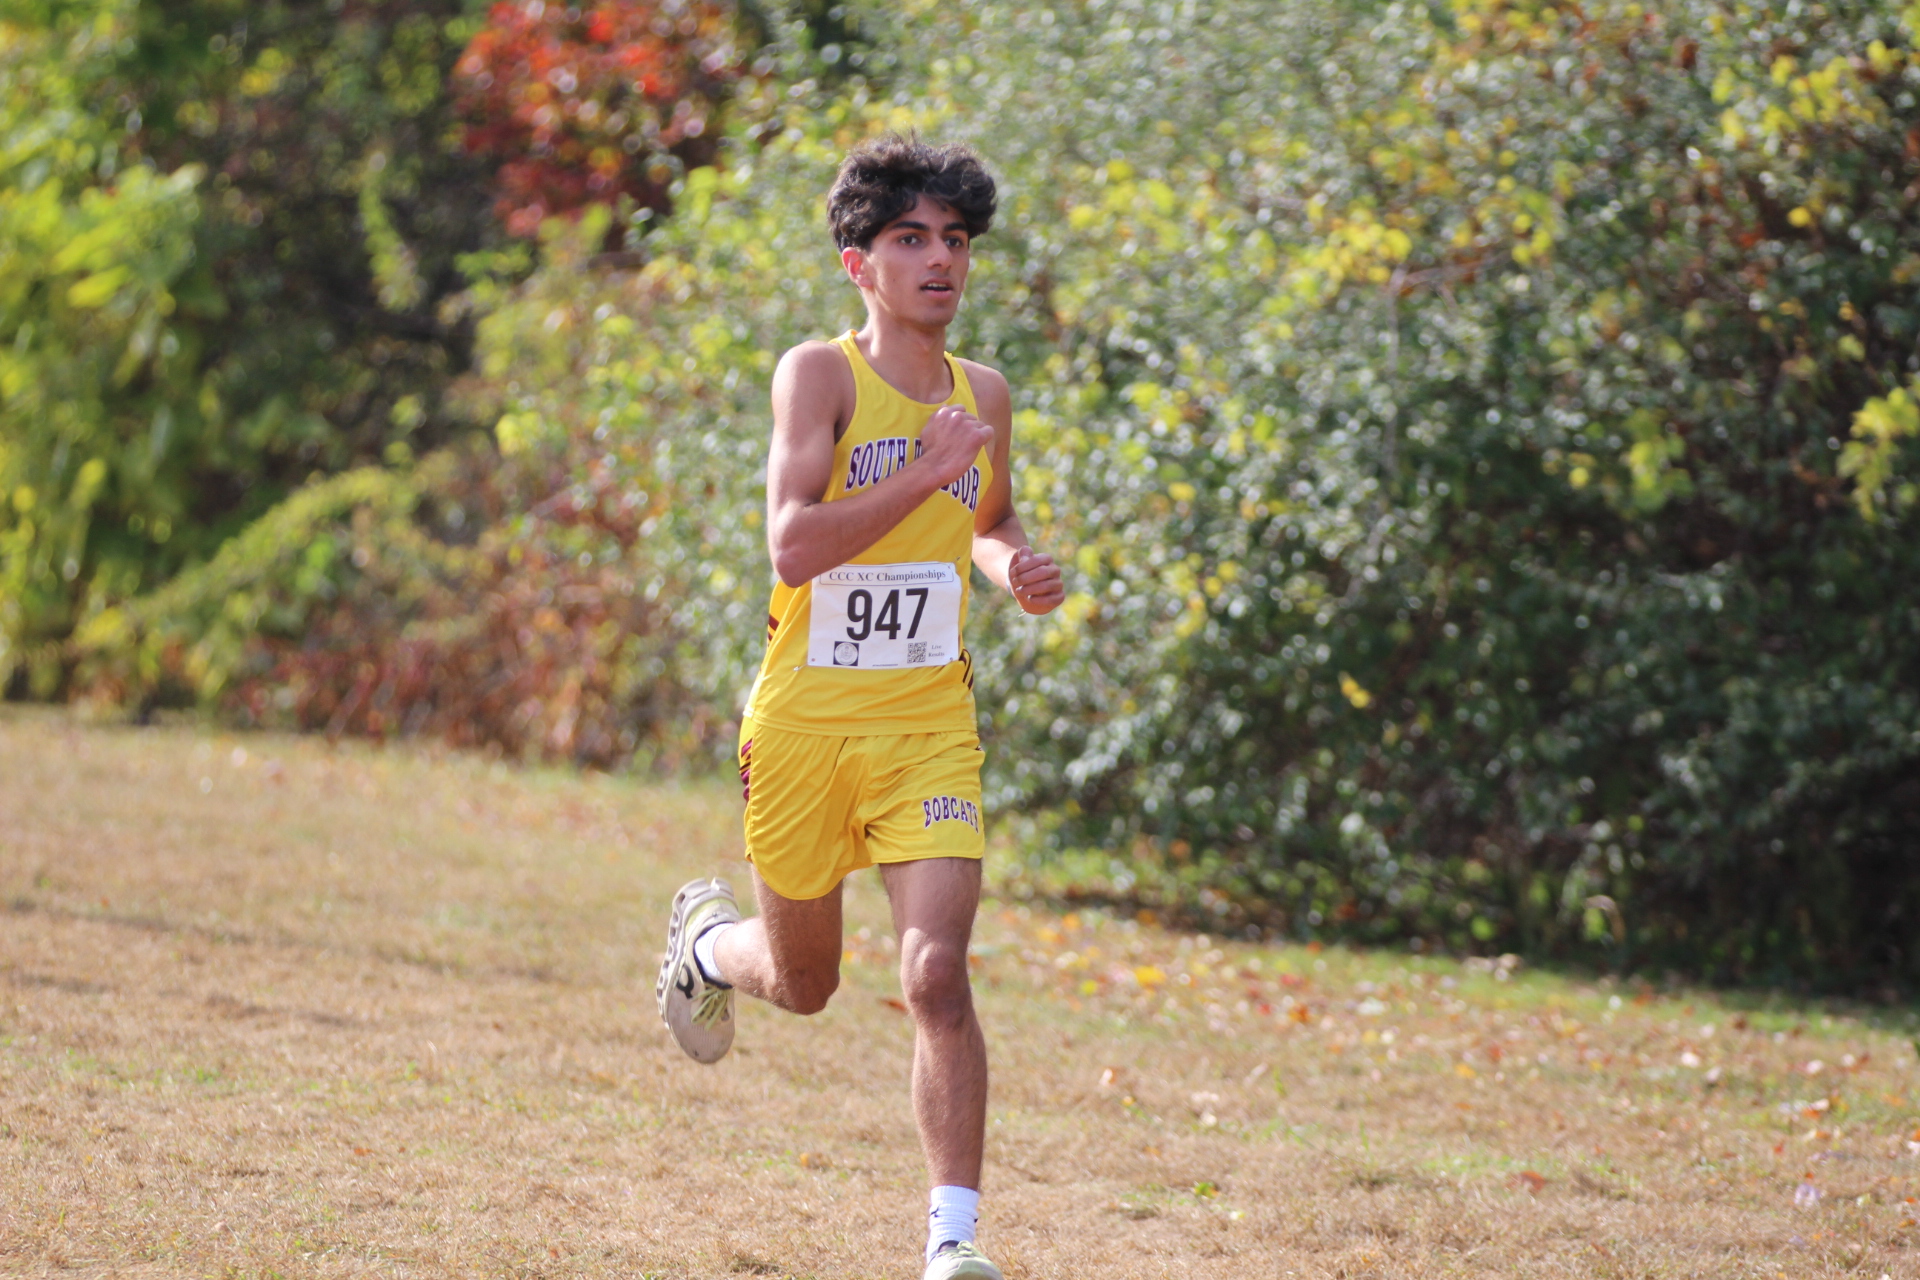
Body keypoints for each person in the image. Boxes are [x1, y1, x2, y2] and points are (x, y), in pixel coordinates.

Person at [654, 135, 1065, 1280]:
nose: (940, 261)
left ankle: (953, 1244)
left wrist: (1012, 565)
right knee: (805, 984)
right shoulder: (819, 375)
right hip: (802, 727)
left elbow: (991, 517)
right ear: (859, 264)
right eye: (910, 240)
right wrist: (924, 476)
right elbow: (792, 549)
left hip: (927, 723)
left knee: (935, 973)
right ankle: (704, 942)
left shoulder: (985, 393)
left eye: (955, 241)